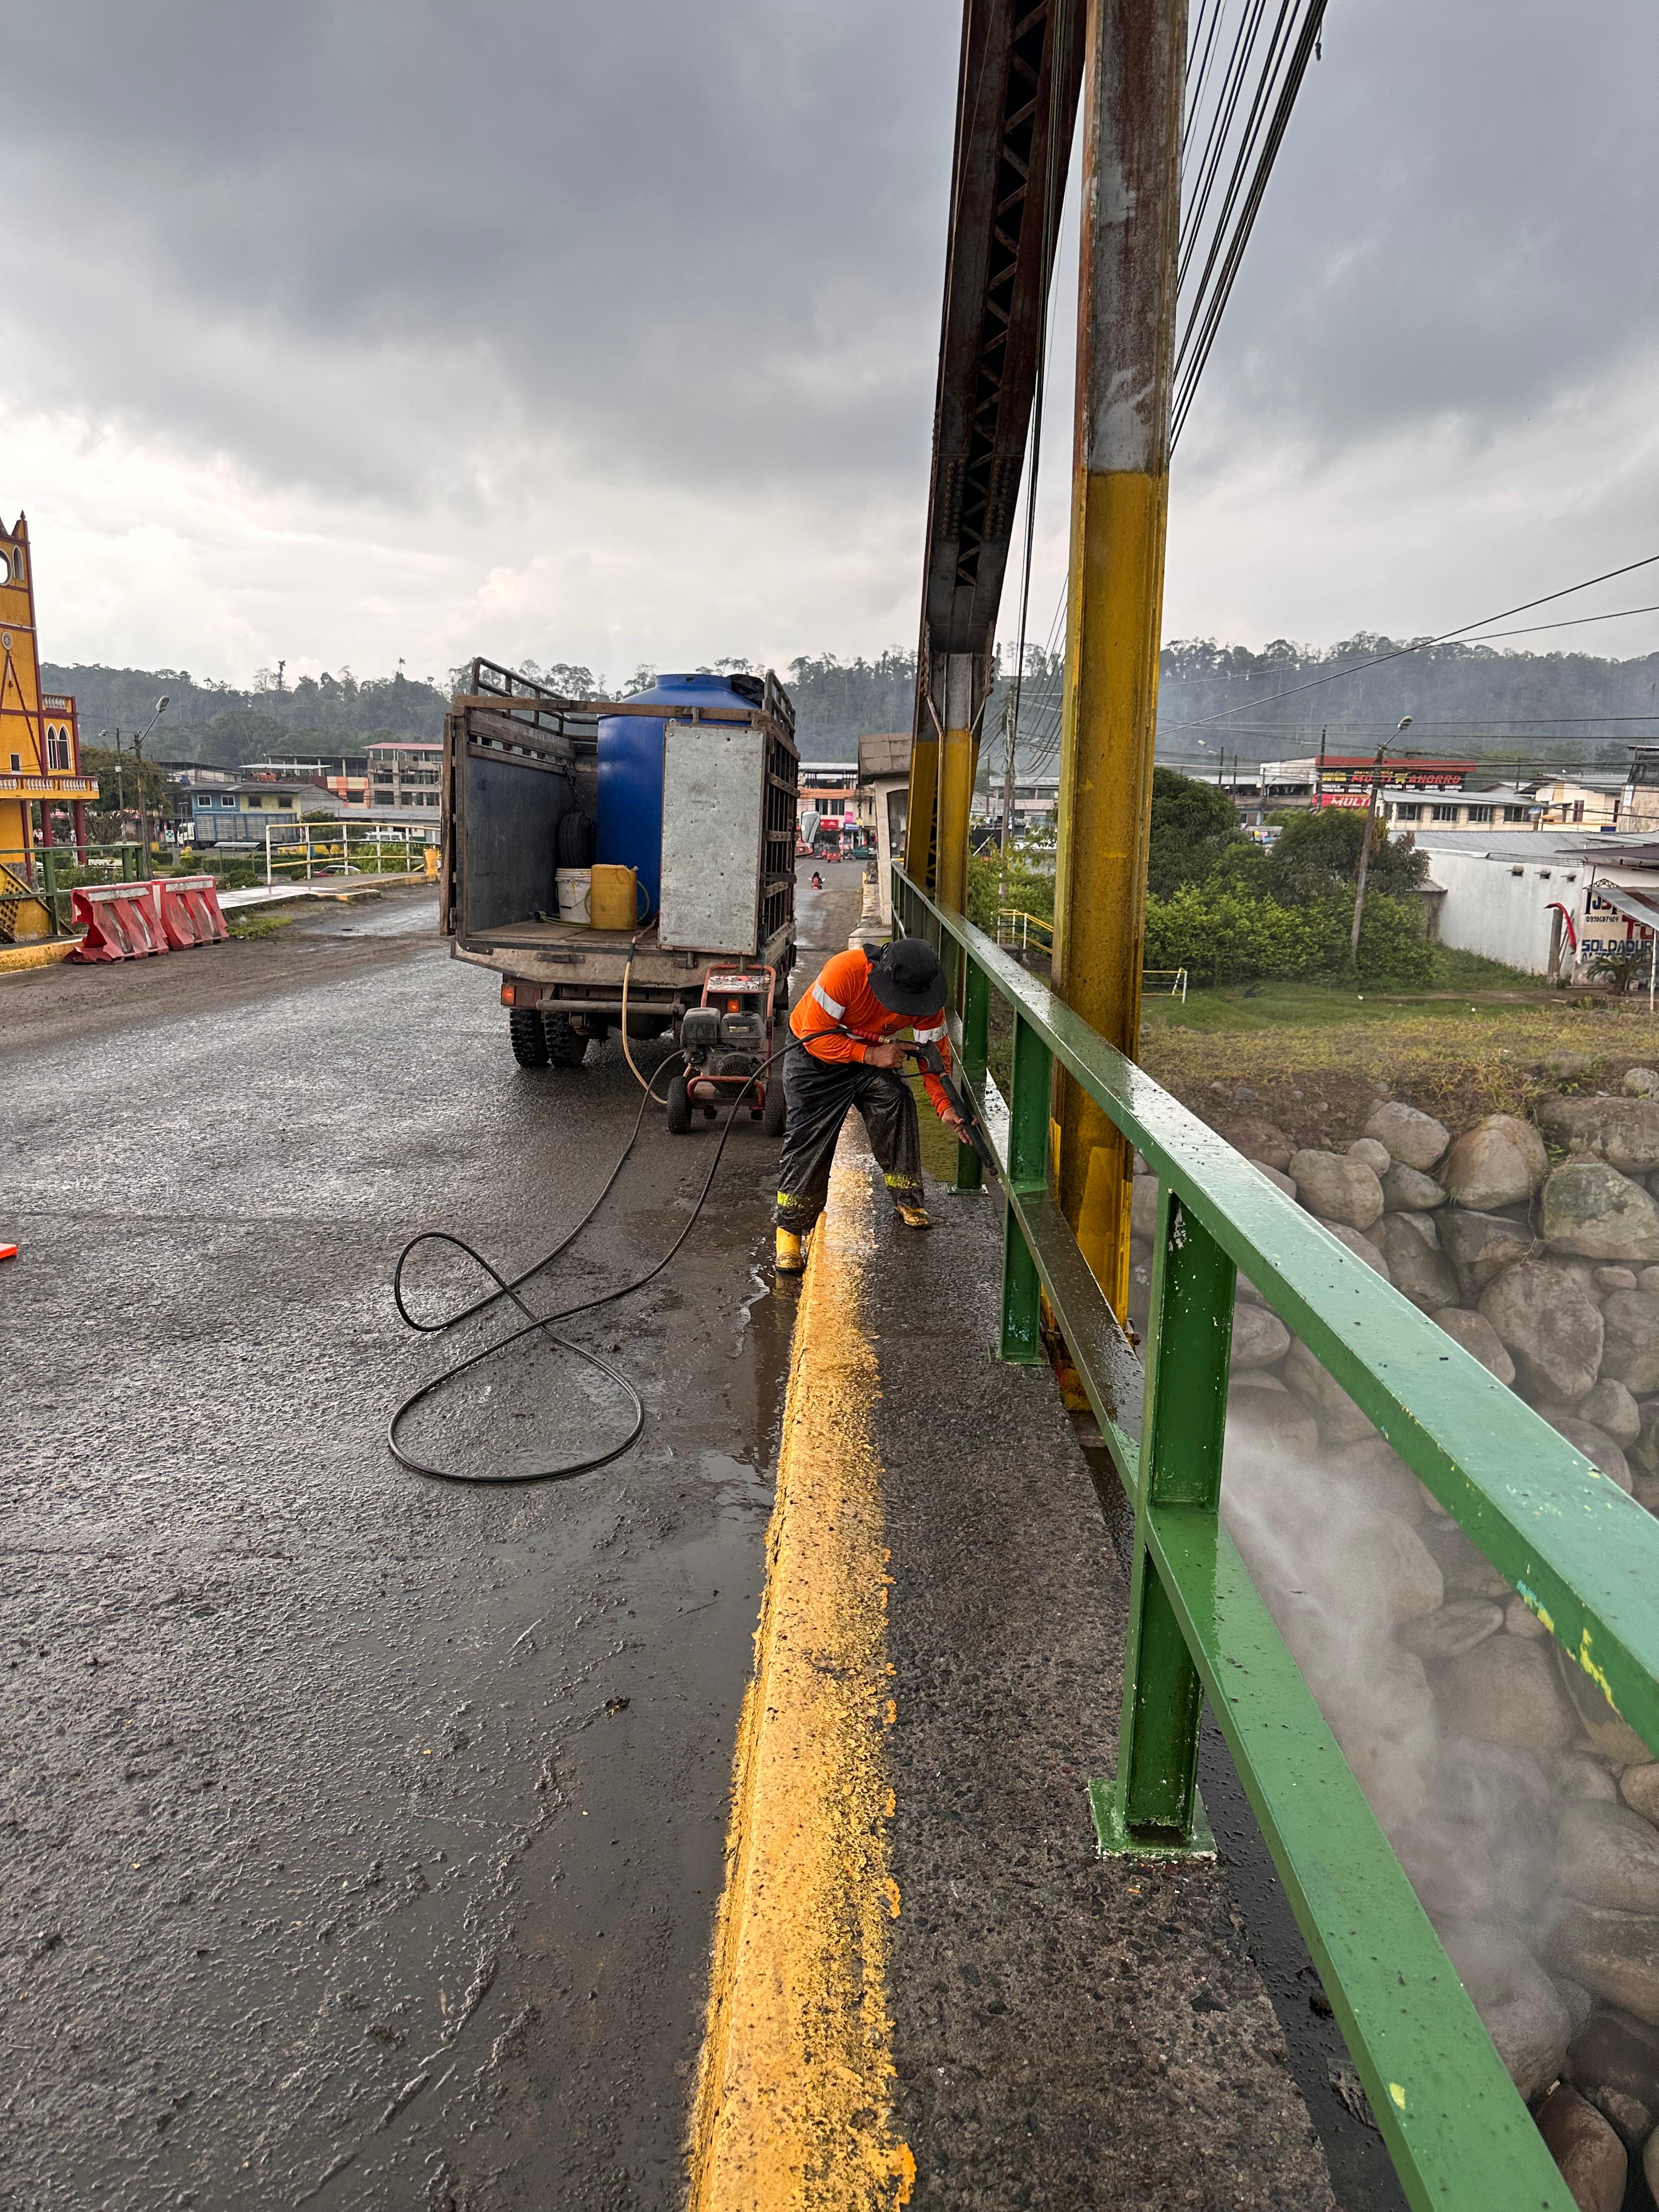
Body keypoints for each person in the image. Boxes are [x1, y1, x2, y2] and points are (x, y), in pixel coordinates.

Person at [773, 936, 964, 1274]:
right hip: (815, 1056)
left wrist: (945, 1106)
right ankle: (790, 1232)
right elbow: (815, 1036)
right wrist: (871, 1055)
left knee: (896, 1101)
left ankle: (908, 1199)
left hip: (870, 1055)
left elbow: (934, 1057)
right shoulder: (844, 973)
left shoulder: (927, 995)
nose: (907, 1008)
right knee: (808, 1138)